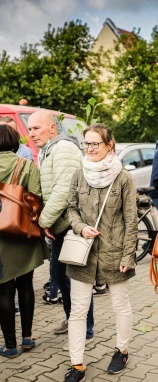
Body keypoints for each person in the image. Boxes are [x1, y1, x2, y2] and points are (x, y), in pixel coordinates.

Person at [64, 123, 137, 381]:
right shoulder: (78, 173)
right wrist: (80, 226)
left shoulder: (124, 178)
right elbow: (71, 208)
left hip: (114, 253)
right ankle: (77, 365)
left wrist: (129, 255)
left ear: (110, 145)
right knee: (78, 310)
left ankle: (122, 350)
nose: (90, 148)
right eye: (87, 143)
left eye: (96, 143)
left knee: (120, 305)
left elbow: (131, 220)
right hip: (83, 254)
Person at [27, 110, 94, 343]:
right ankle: (75, 320)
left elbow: (63, 190)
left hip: (69, 224)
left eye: (37, 128)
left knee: (73, 276)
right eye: (30, 129)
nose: (32, 134)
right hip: (59, 224)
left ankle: (84, 327)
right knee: (62, 275)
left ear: (52, 128)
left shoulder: (63, 148)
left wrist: (44, 221)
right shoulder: (50, 149)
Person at [0, 124, 50, 358]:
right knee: (26, 284)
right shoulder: (26, 165)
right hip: (23, 232)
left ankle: (10, 346)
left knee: (4, 292)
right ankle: (27, 338)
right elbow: (36, 199)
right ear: (13, 143)